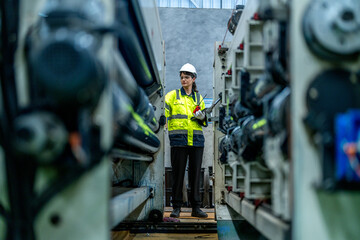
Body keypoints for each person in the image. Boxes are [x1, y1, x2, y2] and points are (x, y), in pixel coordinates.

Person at [164, 63, 208, 218]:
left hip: (196, 142)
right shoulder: (171, 96)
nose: (183, 80)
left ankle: (196, 208)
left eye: (187, 77)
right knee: (178, 175)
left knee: (195, 175)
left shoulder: (199, 98)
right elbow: (163, 116)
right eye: (182, 77)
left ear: (193, 79)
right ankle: (176, 207)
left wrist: (202, 116)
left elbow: (204, 122)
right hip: (178, 140)